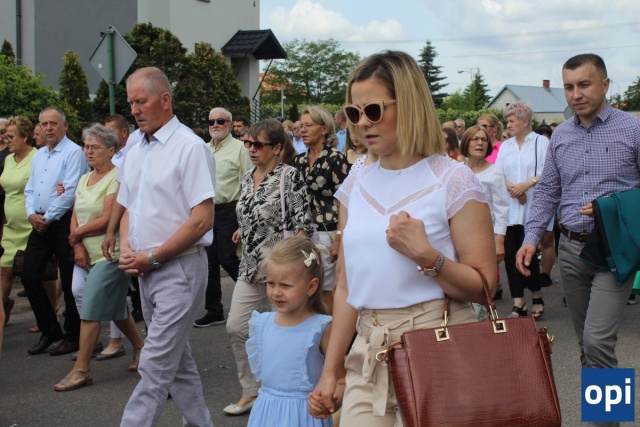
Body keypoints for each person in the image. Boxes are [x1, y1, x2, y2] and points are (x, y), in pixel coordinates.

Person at [312, 50, 496, 426]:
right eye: (353, 113)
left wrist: (428, 257)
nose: (363, 122)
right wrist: (331, 371)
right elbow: (345, 286)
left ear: (409, 105)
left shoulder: (453, 179)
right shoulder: (356, 180)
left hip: (438, 343)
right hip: (368, 350)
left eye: (373, 110)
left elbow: (485, 287)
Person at [517, 54, 640, 396]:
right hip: (570, 249)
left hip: (613, 249)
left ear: (605, 84)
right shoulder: (560, 136)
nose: (576, 94)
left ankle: (608, 417)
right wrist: (531, 237)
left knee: (598, 341)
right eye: (569, 87)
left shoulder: (632, 129)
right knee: (587, 346)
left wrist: (610, 208)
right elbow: (547, 192)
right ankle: (602, 416)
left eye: (584, 84)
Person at [118, 67, 215, 426]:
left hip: (179, 269)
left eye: (140, 101)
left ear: (164, 99)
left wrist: (153, 256)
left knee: (155, 363)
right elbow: (129, 206)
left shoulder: (190, 147)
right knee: (178, 363)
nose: (134, 110)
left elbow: (202, 219)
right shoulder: (136, 148)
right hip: (146, 270)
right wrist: (127, 246)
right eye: (131, 103)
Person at [224, 119, 314, 415]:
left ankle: (293, 392)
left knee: (288, 332)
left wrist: (295, 268)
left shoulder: (290, 176)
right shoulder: (247, 176)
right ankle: (251, 390)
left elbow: (303, 225)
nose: (251, 149)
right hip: (250, 266)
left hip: (282, 272)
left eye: (258, 144)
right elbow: (250, 211)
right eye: (247, 143)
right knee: (236, 327)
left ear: (276, 148)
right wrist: (243, 228)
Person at [53, 123, 144, 391]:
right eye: (86, 146)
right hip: (85, 252)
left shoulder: (116, 179)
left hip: (110, 255)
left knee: (90, 308)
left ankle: (82, 369)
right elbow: (75, 214)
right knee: (115, 308)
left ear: (111, 150)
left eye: (94, 147)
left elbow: (107, 219)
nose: (88, 151)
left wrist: (76, 235)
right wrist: (77, 244)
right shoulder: (84, 178)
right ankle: (140, 346)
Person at [245, 237, 342, 427]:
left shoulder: (321, 328)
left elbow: (341, 379)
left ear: (311, 286)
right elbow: (265, 383)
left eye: (285, 285)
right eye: (271, 283)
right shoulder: (262, 324)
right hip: (265, 415)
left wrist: (330, 402)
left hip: (303, 417)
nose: (276, 292)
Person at [22, 106, 88, 356]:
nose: (48, 128)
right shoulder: (39, 155)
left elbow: (70, 192)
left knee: (70, 281)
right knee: (29, 275)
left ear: (64, 125)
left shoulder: (73, 153)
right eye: (44, 124)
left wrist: (47, 218)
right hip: (39, 221)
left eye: (53, 123)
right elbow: (30, 189)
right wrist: (31, 214)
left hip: (62, 222)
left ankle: (73, 335)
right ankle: (50, 329)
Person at [194, 107, 251, 328]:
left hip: (230, 210)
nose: (215, 125)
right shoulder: (204, 149)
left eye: (220, 121)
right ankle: (214, 310)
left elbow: (249, 183)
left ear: (230, 124)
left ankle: (251, 296)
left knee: (227, 258)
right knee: (209, 262)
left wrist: (244, 218)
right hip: (208, 211)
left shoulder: (240, 149)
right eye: (211, 122)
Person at [496, 101, 550, 319]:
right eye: (507, 121)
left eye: (511, 121)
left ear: (525, 121)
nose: (508, 125)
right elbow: (498, 173)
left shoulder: (541, 143)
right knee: (510, 255)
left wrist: (527, 184)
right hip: (510, 207)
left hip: (532, 207)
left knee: (528, 253)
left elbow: (548, 171)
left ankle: (536, 294)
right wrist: (514, 188)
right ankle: (518, 301)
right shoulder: (506, 146)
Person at [293, 106, 349, 314]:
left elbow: (345, 201)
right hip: (303, 232)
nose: (303, 130)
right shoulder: (298, 161)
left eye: (309, 125)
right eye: (301, 126)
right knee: (306, 288)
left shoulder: (335, 159)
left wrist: (339, 238)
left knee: (326, 289)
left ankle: (334, 331)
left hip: (328, 231)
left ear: (324, 129)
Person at [460, 125, 509, 301]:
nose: (480, 143)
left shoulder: (495, 173)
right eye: (475, 139)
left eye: (484, 139)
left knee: (481, 286)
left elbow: (502, 209)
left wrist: (499, 241)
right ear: (466, 143)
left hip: (483, 237)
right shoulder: (457, 170)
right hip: (458, 235)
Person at [1, 116, 37, 324]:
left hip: (30, 226)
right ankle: (2, 308)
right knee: (4, 269)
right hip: (11, 227)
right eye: (5, 137)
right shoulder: (8, 159)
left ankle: (48, 316)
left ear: (24, 137)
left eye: (11, 137)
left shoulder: (37, 157)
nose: (7, 141)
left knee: (38, 276)